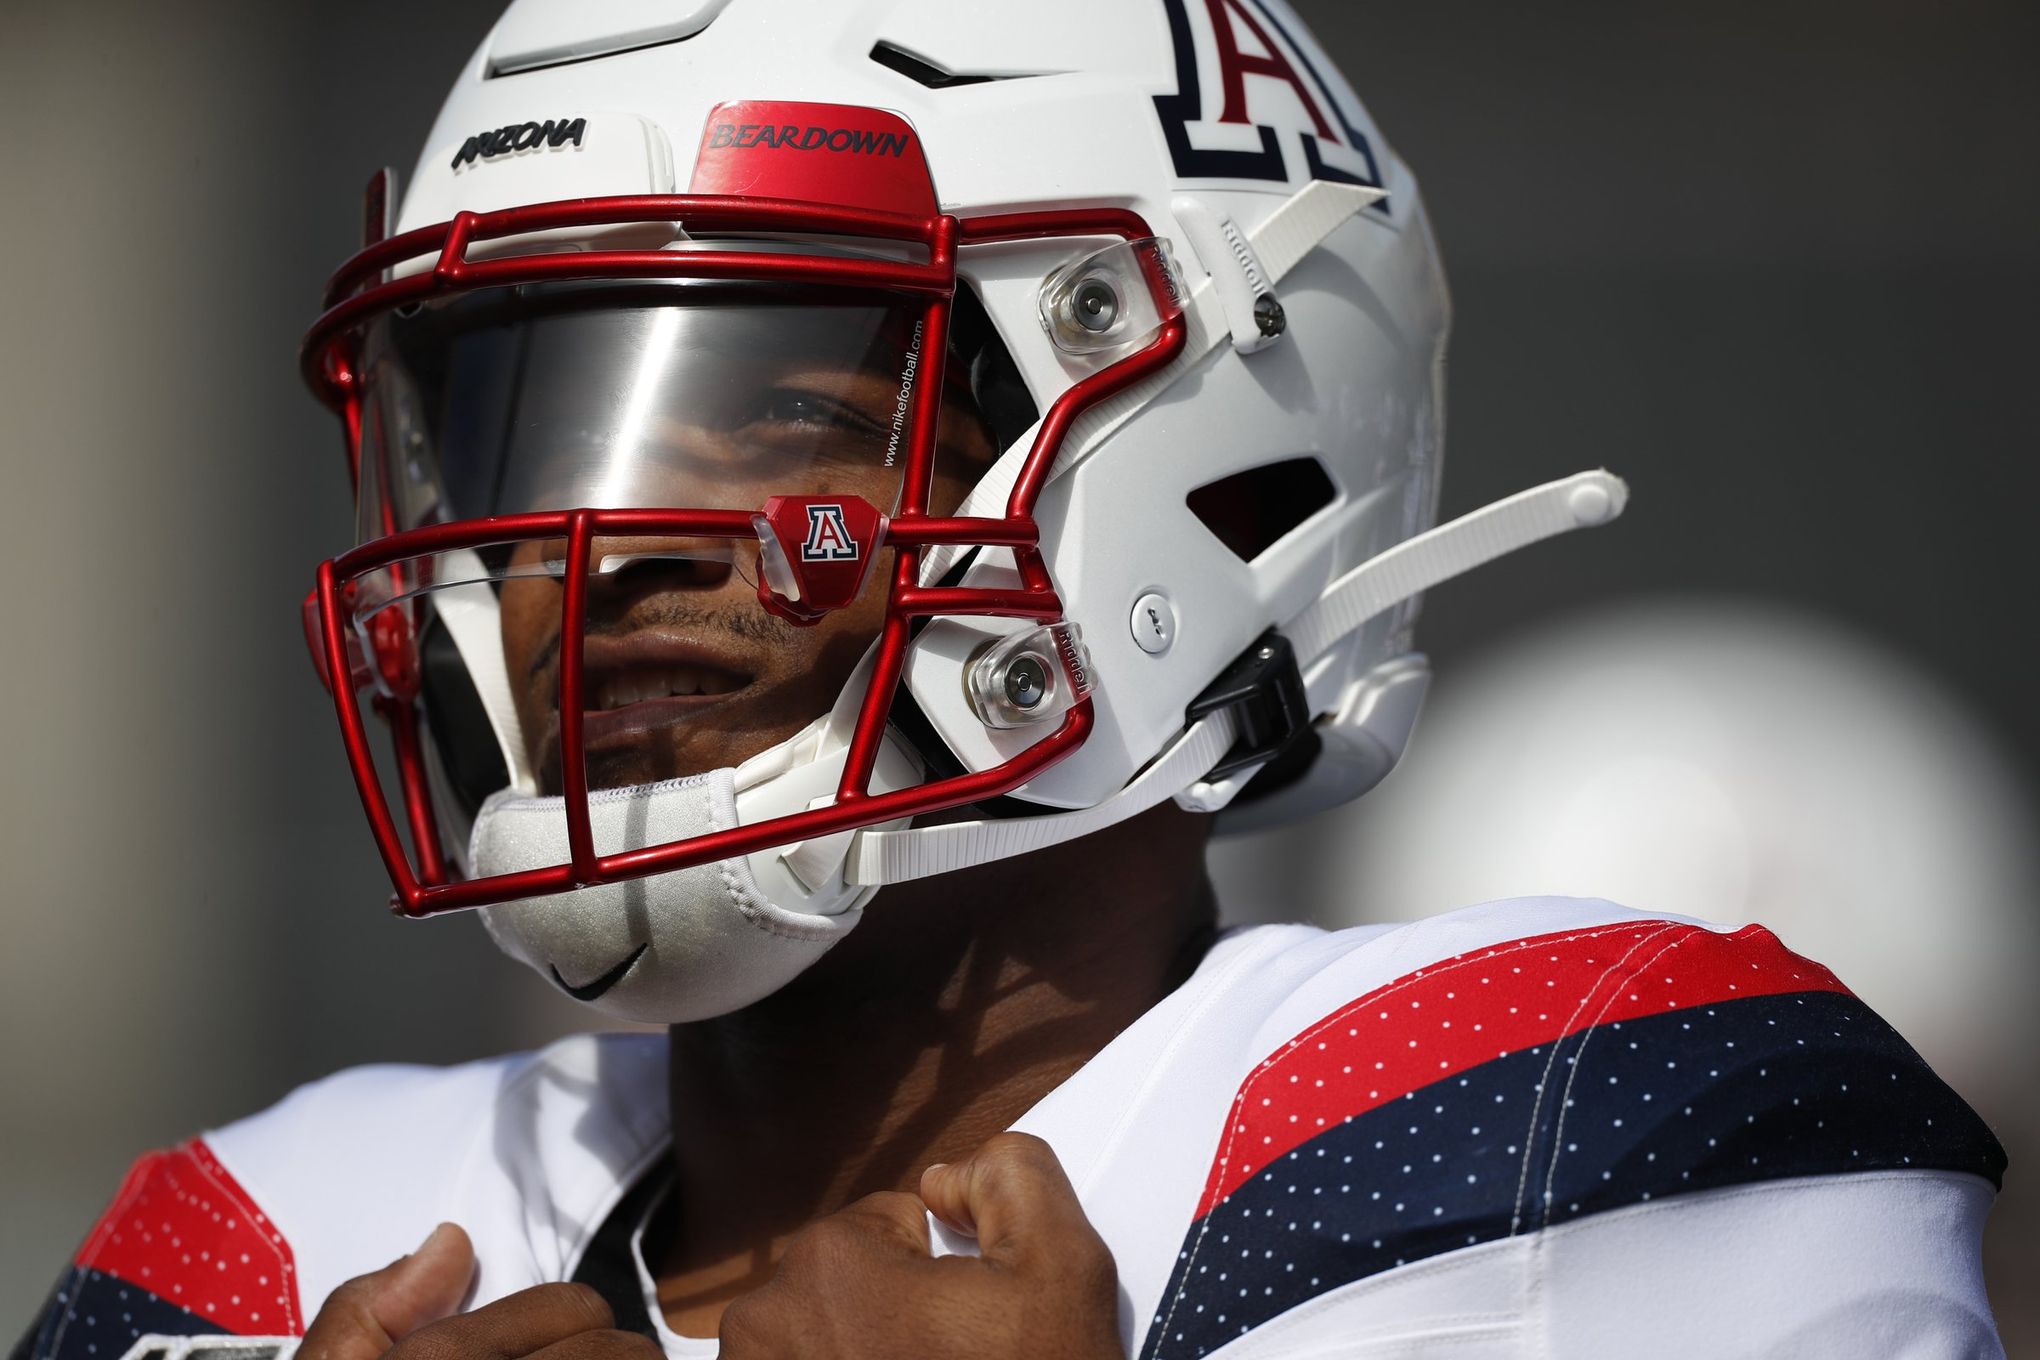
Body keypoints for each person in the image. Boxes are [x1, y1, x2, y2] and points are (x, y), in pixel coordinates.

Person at [15, 1, 2006, 1356]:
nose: (599, 545)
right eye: (538, 432)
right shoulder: (262, 1242)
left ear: (1210, 454)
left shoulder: (1552, 1121)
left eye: (778, 405)